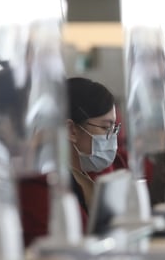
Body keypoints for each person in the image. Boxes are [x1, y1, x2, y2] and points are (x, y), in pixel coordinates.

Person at [20, 77, 118, 244]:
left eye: (114, 128)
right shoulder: (42, 185)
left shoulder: (89, 173)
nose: (112, 137)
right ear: (71, 130)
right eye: (105, 128)